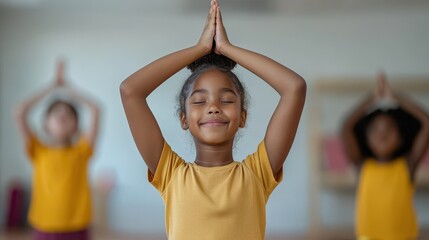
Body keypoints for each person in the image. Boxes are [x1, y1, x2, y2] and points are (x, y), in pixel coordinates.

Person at [120, 0, 306, 239]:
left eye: (227, 100)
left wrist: (227, 49)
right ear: (184, 119)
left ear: (242, 117)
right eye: (199, 101)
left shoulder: (257, 173)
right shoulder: (171, 174)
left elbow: (294, 87)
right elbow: (130, 91)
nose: (214, 107)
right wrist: (199, 48)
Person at [14, 60, 100, 240]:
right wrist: (53, 86)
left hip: (77, 226)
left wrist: (68, 87)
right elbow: (20, 111)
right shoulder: (37, 150)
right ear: (46, 124)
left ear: (76, 126)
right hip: (45, 226)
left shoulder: (82, 151)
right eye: (56, 113)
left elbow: (96, 109)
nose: (62, 116)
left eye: (68, 114)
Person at [342, 72, 429, 240]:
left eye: (389, 129)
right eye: (375, 130)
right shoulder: (362, 165)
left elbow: (426, 123)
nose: (382, 135)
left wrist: (395, 97)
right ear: (365, 139)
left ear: (401, 138)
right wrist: (372, 98)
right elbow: (346, 126)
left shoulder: (407, 165)